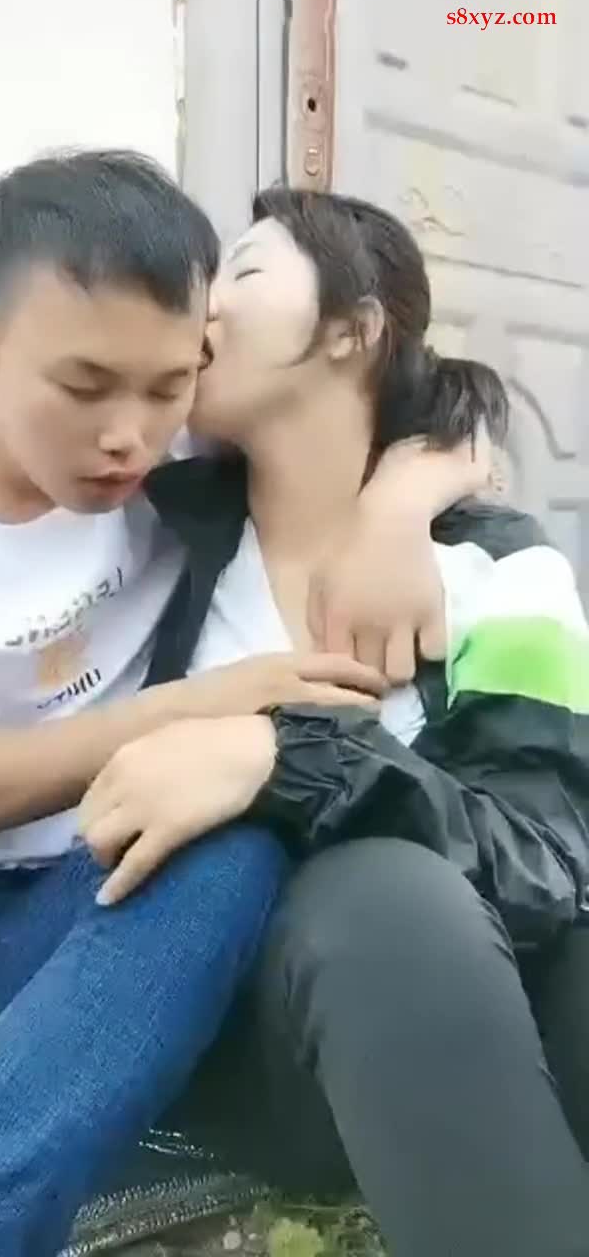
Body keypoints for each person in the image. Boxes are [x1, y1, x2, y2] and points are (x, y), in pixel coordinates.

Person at [0, 152, 486, 1256]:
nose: (128, 435)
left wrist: (398, 510)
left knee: (229, 838)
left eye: (168, 388)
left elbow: (446, 414)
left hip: (61, 934)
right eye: (85, 388)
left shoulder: (180, 464)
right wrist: (202, 707)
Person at [81, 189, 589, 1257]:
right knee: (383, 894)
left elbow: (548, 857)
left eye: (244, 273)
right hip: (235, 1028)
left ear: (352, 330)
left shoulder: (504, 570)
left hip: (461, 1012)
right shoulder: (140, 540)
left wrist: (285, 754)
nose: (204, 306)